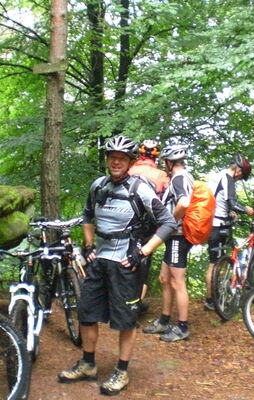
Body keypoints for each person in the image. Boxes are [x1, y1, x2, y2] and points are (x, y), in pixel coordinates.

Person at [58, 135, 176, 396]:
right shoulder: (98, 186)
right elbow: (87, 214)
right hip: (99, 261)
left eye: (122, 158)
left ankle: (122, 371)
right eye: (112, 157)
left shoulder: (140, 189)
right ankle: (88, 364)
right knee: (86, 313)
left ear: (131, 162)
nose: (116, 162)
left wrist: (142, 252)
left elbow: (168, 222)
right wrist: (89, 245)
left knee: (125, 320)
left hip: (125, 264)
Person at [142, 144, 194, 342]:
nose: (165, 165)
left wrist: (169, 222)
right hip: (174, 237)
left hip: (178, 236)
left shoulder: (179, 178)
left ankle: (182, 327)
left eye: (166, 161)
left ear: (170, 162)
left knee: (176, 281)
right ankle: (164, 320)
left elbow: (184, 203)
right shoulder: (182, 177)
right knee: (165, 278)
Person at [204, 154, 254, 311]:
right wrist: (247, 210)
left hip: (212, 223)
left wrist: (228, 213)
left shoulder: (218, 176)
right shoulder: (228, 179)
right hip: (218, 227)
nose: (239, 180)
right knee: (215, 264)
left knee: (215, 262)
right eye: (241, 177)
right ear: (238, 171)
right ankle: (211, 300)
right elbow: (233, 203)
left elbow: (217, 200)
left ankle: (212, 299)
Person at [128, 139, 170, 313]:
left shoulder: (129, 169)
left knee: (124, 256)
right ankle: (137, 302)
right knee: (143, 259)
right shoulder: (161, 175)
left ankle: (120, 299)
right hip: (148, 224)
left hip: (126, 220)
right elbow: (164, 200)